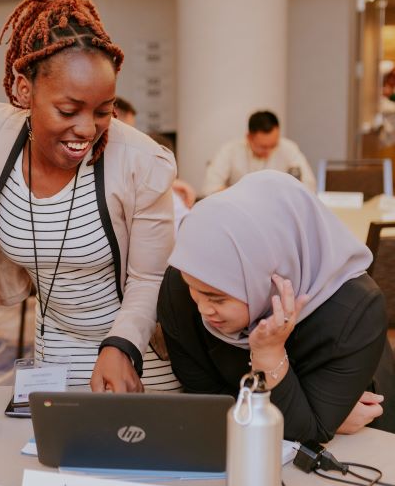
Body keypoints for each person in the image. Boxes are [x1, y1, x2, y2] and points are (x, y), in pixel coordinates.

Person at [0, 0, 180, 392]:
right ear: (25, 90)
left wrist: (120, 347)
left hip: (135, 358)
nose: (86, 129)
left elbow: (149, 278)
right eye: (68, 110)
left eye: (104, 111)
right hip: (54, 356)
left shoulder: (142, 162)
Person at [157, 170, 395, 443]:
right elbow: (206, 403)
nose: (202, 308)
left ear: (270, 275)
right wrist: (310, 414)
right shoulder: (180, 287)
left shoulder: (354, 311)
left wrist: (269, 354)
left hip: (361, 443)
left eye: (218, 298)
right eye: (194, 290)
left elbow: (307, 432)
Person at [202, 110, 316, 196]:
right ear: (249, 138)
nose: (269, 152)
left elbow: (308, 186)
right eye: (263, 147)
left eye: (273, 146)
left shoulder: (289, 148)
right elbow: (211, 188)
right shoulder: (230, 150)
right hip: (239, 212)